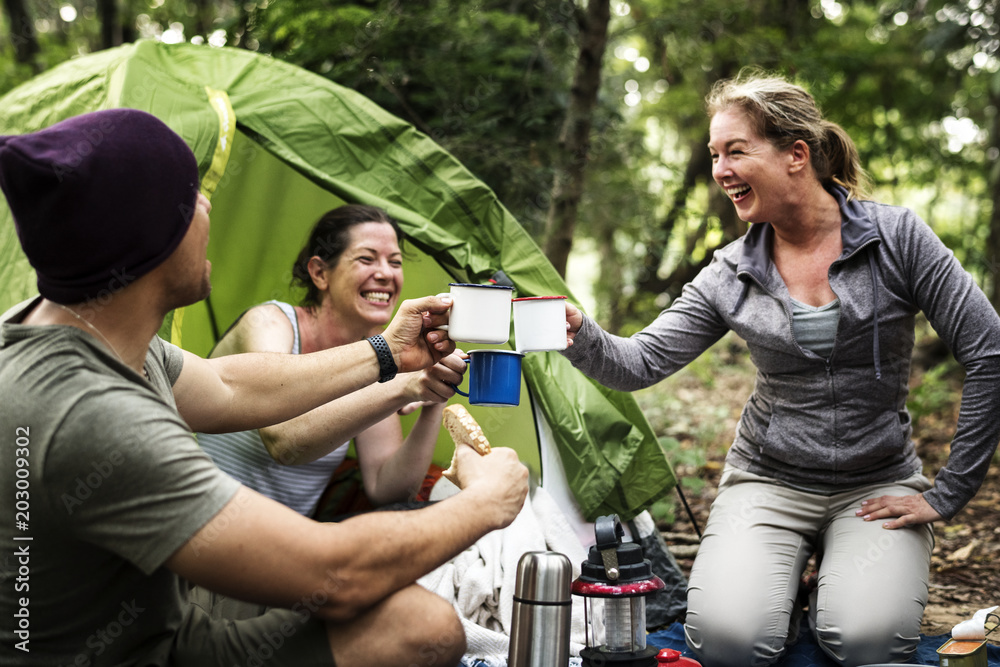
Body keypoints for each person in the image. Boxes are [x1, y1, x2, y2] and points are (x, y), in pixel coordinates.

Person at [0, 108, 529, 667]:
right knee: (412, 622)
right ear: (149, 234)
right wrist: (486, 502)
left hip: (167, 635)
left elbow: (229, 387)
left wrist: (392, 356)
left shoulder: (85, 330)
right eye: (191, 197)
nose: (206, 206)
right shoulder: (88, 412)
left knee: (418, 622)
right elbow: (334, 572)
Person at [561, 71, 1000, 667]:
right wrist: (577, 332)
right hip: (768, 481)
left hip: (876, 484)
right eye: (715, 155)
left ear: (797, 155)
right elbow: (639, 363)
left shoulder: (897, 239)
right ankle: (785, 580)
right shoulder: (729, 272)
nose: (720, 170)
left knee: (866, 640)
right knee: (727, 641)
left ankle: (828, 585)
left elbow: (990, 350)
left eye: (735, 150)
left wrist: (948, 495)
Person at [197, 205, 465, 517]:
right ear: (320, 273)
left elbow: (386, 489)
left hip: (280, 549)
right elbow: (284, 442)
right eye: (366, 258)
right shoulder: (269, 323)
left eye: (395, 262)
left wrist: (433, 397)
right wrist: (405, 385)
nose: (386, 273)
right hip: (195, 529)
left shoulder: (384, 354)